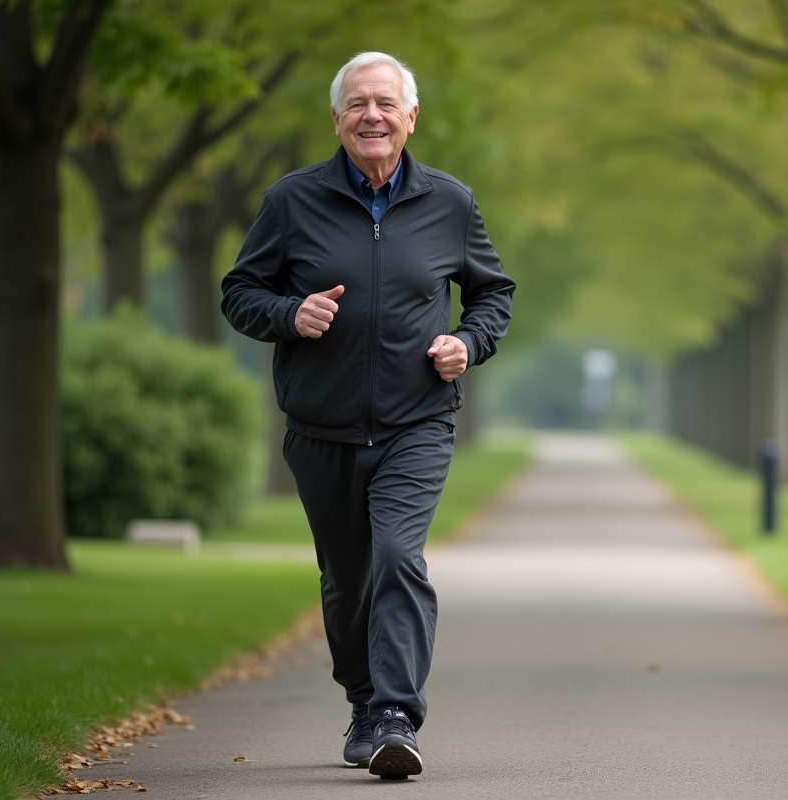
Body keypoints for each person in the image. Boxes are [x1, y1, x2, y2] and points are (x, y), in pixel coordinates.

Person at [220, 51, 514, 780]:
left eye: (385, 103)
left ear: (410, 117)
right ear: (337, 119)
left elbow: (492, 293)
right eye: (357, 104)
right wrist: (290, 314)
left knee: (397, 558)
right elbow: (239, 292)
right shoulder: (291, 200)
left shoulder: (451, 202)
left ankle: (395, 716)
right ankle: (363, 701)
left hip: (418, 423)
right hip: (320, 429)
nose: (371, 116)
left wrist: (467, 344)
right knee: (347, 579)